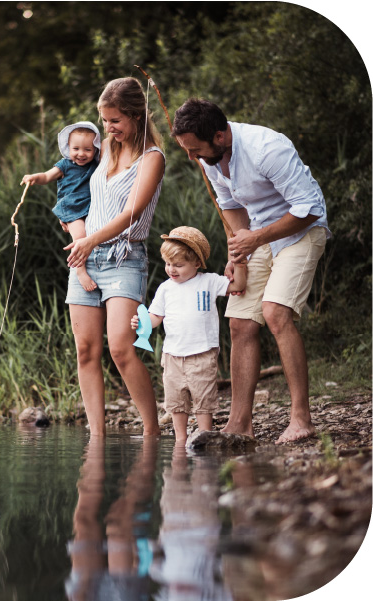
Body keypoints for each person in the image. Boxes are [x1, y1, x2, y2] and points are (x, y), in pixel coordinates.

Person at [171, 98, 330, 444]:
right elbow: (231, 207)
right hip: (259, 236)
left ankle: (301, 419)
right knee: (240, 322)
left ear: (220, 136)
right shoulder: (210, 159)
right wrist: (238, 250)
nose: (193, 157)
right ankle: (240, 423)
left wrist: (255, 237)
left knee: (275, 313)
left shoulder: (266, 148)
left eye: (196, 149)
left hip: (302, 232)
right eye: (187, 150)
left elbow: (310, 209)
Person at [64, 77, 166, 437]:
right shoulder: (103, 148)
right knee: (85, 350)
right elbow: (72, 194)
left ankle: (152, 431)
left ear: (136, 116)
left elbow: (132, 214)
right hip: (86, 258)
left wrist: (89, 241)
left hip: (125, 258)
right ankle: (97, 437)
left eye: (115, 121)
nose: (107, 129)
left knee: (122, 348)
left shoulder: (153, 158)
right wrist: (79, 239)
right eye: (105, 121)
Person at [130, 226, 246, 443]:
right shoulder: (165, 288)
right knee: (176, 402)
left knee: (203, 399)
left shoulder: (209, 281)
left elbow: (238, 284)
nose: (171, 270)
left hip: (202, 354)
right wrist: (141, 322)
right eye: (168, 264)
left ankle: (204, 437)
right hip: (173, 356)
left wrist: (239, 262)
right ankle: (180, 441)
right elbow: (155, 317)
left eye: (179, 265)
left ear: (197, 263)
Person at [22, 121, 101, 291]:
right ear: (68, 147)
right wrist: (35, 177)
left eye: (87, 149)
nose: (81, 154)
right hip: (72, 208)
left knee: (93, 235)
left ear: (95, 149)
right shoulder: (65, 164)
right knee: (80, 237)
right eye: (76, 149)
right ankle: (80, 271)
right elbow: (47, 176)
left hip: (91, 208)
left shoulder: (96, 166)